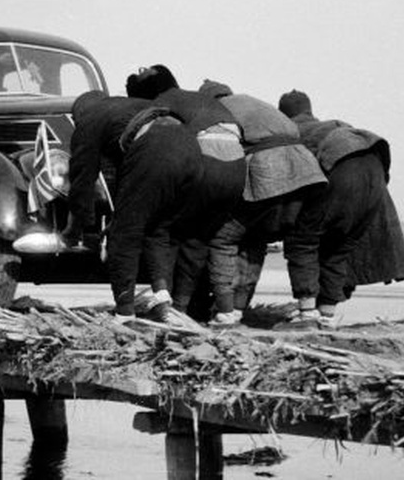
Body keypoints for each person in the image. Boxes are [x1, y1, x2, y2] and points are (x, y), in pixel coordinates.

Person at [63, 91, 209, 323]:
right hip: (191, 148)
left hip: (156, 146)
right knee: (158, 229)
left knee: (123, 236)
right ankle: (162, 298)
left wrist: (77, 226)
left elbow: (82, 178)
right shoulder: (126, 107)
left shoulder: (89, 119)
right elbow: (132, 175)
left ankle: (124, 313)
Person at [197, 80, 327, 326]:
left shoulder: (218, 110)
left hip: (268, 167)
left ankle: (226, 311)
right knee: (296, 242)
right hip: (309, 170)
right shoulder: (254, 103)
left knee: (223, 237)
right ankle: (308, 311)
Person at [125, 66, 247, 319]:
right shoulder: (199, 98)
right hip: (236, 169)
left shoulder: (161, 103)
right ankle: (182, 307)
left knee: (161, 230)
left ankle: (165, 304)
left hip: (205, 163)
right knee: (198, 237)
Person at [278, 89, 404, 327]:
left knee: (302, 241)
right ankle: (326, 313)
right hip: (374, 173)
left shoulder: (294, 131)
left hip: (341, 172)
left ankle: (306, 314)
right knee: (339, 247)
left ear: (284, 114)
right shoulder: (334, 126)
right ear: (309, 110)